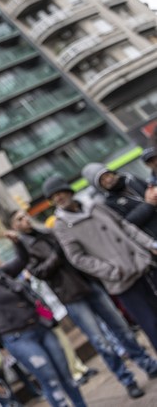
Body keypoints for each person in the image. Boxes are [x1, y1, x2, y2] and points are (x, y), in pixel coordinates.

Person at [8, 209, 157, 398]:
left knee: (122, 328)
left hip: (89, 284)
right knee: (101, 341)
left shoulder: (50, 231)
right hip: (71, 294)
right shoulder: (24, 247)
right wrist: (57, 254)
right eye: (19, 219)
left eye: (25, 216)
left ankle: (147, 364)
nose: (25, 220)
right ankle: (127, 380)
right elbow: (40, 272)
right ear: (14, 226)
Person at [42, 175, 157, 354]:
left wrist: (150, 244)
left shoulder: (95, 205)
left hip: (140, 264)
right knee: (151, 324)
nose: (58, 198)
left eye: (60, 193)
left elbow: (124, 226)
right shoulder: (62, 225)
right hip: (121, 279)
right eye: (53, 197)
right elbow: (77, 258)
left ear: (68, 191)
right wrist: (111, 271)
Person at [0, 243, 87, 407]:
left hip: (41, 328)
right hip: (19, 338)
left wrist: (16, 242)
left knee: (65, 373)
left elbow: (23, 259)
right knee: (49, 378)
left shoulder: (3, 274)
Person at [82, 162, 157, 238]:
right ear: (100, 186)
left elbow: (150, 187)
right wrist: (148, 204)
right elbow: (127, 223)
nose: (108, 179)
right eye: (102, 180)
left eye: (107, 175)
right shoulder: (109, 203)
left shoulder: (130, 178)